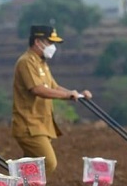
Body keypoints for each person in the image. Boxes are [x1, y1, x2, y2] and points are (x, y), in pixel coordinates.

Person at [12, 25, 92, 177]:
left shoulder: (41, 63)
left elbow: (54, 87)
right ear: (37, 42)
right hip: (29, 125)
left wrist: (76, 94)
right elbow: (37, 89)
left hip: (41, 124)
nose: (52, 47)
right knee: (48, 163)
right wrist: (67, 95)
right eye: (49, 42)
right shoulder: (26, 62)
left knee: (28, 167)